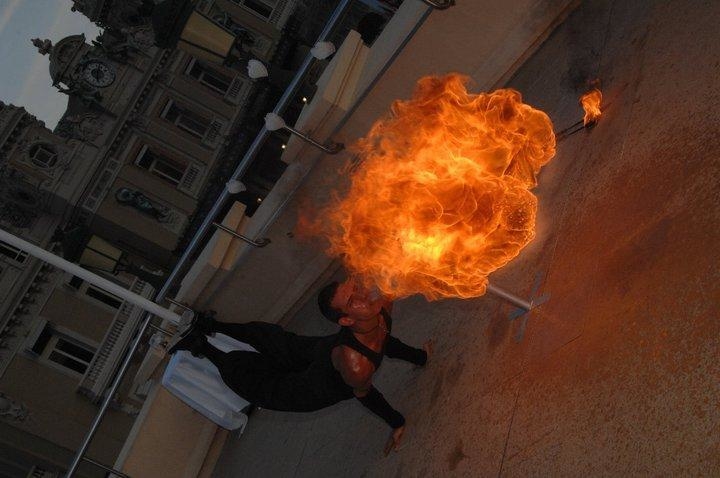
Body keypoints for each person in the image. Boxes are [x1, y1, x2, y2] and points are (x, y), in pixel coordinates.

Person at [168, 278, 431, 454]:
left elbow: (384, 339)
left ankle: (201, 341)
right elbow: (366, 394)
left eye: (357, 289)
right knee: (246, 372)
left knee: (274, 341)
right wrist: (398, 423)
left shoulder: (380, 307)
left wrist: (421, 357)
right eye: (353, 301)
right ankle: (204, 341)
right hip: (307, 389)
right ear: (346, 321)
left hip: (326, 355)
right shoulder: (356, 365)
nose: (365, 295)